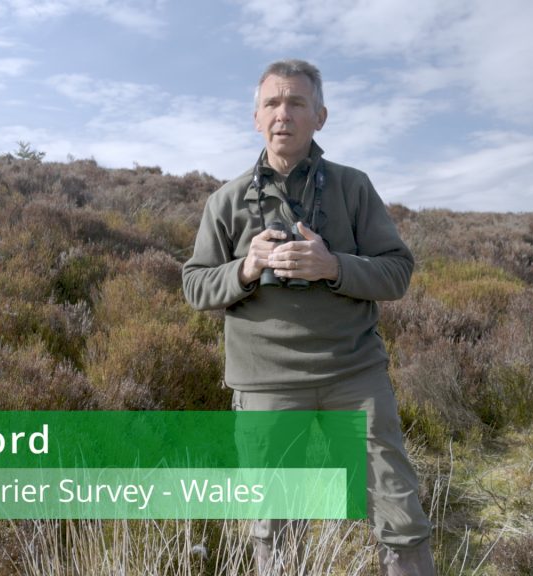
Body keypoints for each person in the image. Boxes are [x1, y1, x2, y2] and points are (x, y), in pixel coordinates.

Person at [181, 59, 436, 575]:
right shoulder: (225, 201)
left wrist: (333, 265)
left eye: (297, 102)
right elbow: (194, 285)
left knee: (398, 512)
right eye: (272, 103)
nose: (284, 114)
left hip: (354, 375)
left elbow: (397, 272)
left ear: (320, 116)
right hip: (267, 384)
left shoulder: (352, 187)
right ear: (256, 117)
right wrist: (247, 267)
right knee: (276, 528)